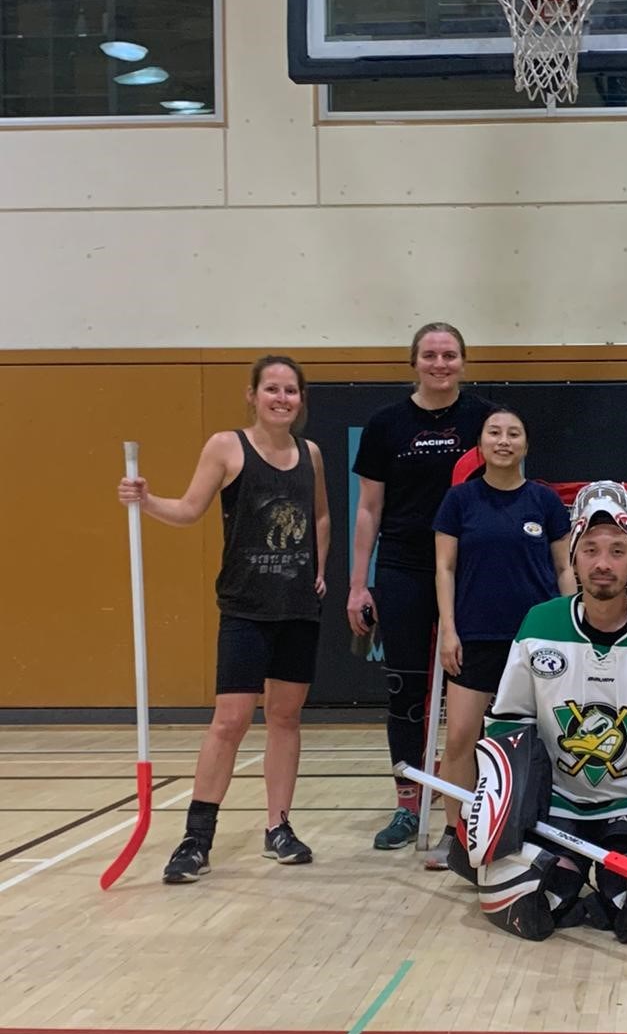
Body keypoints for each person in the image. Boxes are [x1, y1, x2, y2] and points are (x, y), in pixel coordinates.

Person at [459, 481, 627, 943]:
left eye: (617, 551)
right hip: (557, 803)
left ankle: (609, 878)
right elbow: (509, 718)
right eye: (591, 550)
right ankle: (572, 874)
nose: (603, 563)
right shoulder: (539, 623)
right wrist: (505, 792)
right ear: (574, 558)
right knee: (526, 899)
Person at [116, 355, 329, 882]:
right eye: (272, 389)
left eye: (291, 391)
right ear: (252, 395)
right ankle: (197, 837)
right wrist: (146, 501)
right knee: (230, 721)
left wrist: (319, 570)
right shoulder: (226, 446)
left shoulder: (312, 453)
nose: (282, 398)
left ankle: (278, 827)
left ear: (301, 399)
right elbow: (190, 509)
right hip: (245, 607)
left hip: (297, 609)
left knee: (285, 718)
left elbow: (319, 513)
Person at [347, 323, 492, 851]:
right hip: (405, 568)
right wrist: (357, 584)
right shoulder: (386, 424)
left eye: (449, 355)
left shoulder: (483, 419)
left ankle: (475, 799)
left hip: (470, 569)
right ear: (414, 362)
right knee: (405, 689)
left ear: (463, 362)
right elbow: (368, 509)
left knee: (475, 690)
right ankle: (409, 804)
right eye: (429, 355)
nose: (439, 363)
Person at [426, 406, 575, 869]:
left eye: (514, 433)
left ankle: (551, 830)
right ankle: (457, 834)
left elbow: (565, 567)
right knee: (461, 741)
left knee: (552, 741)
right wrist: (449, 630)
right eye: (495, 432)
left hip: (537, 644)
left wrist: (571, 627)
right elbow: (444, 568)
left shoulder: (545, 502)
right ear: (481, 445)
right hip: (475, 639)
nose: (504, 440)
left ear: (525, 445)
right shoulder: (459, 501)